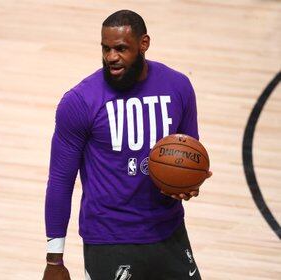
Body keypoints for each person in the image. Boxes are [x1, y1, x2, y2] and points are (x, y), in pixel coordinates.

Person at [43, 10, 212, 280]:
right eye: (106, 48)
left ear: (143, 44)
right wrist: (54, 260)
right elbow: (60, 181)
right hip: (109, 239)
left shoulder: (178, 87)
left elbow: (190, 152)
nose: (112, 57)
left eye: (121, 49)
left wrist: (189, 183)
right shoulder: (80, 101)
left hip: (169, 231)